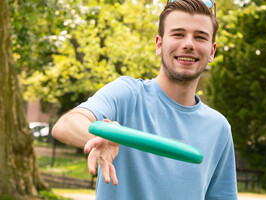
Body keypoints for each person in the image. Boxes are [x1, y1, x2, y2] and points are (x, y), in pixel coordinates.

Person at [52, 0, 238, 199]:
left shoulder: (219, 128)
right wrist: (97, 138)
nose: (188, 44)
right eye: (178, 34)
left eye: (200, 37)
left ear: (211, 51)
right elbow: (66, 123)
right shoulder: (128, 95)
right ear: (159, 44)